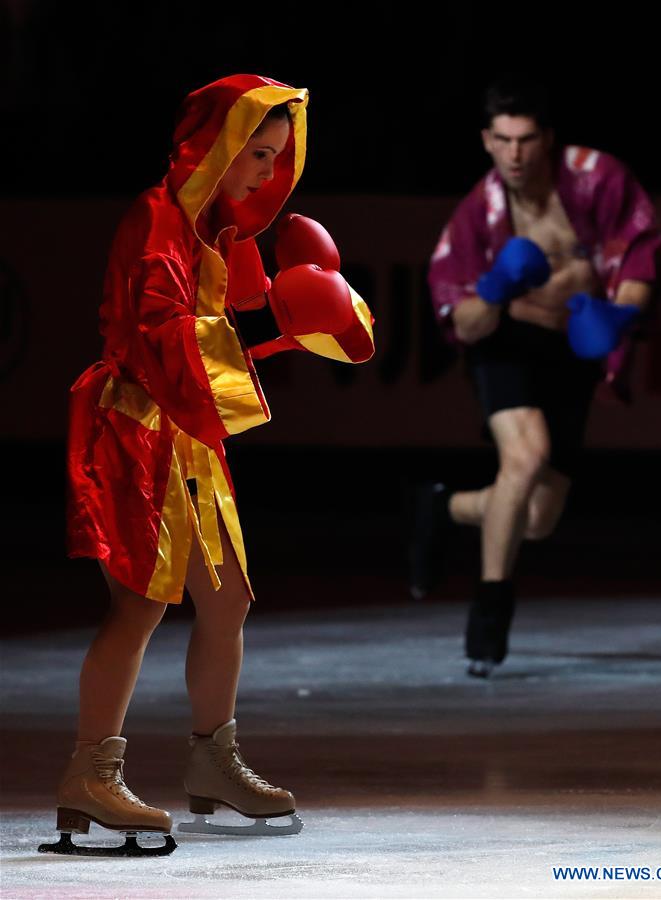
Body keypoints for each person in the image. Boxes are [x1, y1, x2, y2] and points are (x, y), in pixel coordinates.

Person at [41, 74, 374, 857]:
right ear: (212, 147)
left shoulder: (214, 232)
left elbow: (208, 331)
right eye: (255, 152)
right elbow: (160, 336)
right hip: (136, 427)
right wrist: (267, 336)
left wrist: (295, 322)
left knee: (226, 600)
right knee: (138, 607)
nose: (266, 172)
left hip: (185, 431)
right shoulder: (157, 219)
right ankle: (90, 773)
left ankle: (212, 762)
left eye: (275, 157)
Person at [412, 76, 661, 678]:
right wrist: (495, 288)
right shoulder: (479, 213)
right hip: (505, 346)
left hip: (573, 349)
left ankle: (443, 508)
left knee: (539, 517)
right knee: (524, 460)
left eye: (526, 139)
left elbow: (639, 258)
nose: (516, 154)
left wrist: (619, 314)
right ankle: (490, 611)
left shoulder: (599, 179)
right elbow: (462, 320)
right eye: (503, 140)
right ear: (487, 141)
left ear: (546, 139)